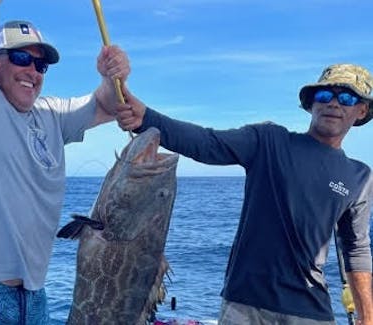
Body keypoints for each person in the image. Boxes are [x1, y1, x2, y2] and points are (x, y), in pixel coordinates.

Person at [116, 64, 373, 324]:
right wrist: (146, 118)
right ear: (312, 103)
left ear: (361, 110)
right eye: (325, 95)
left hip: (311, 309)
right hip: (245, 305)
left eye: (347, 98)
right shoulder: (270, 141)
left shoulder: (359, 176)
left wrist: (367, 316)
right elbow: (207, 142)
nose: (334, 104)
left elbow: (356, 248)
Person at [0, 0, 130, 324]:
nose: (32, 71)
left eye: (41, 66)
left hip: (34, 298)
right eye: (21, 57)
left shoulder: (51, 115)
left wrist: (113, 76)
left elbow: (107, 104)